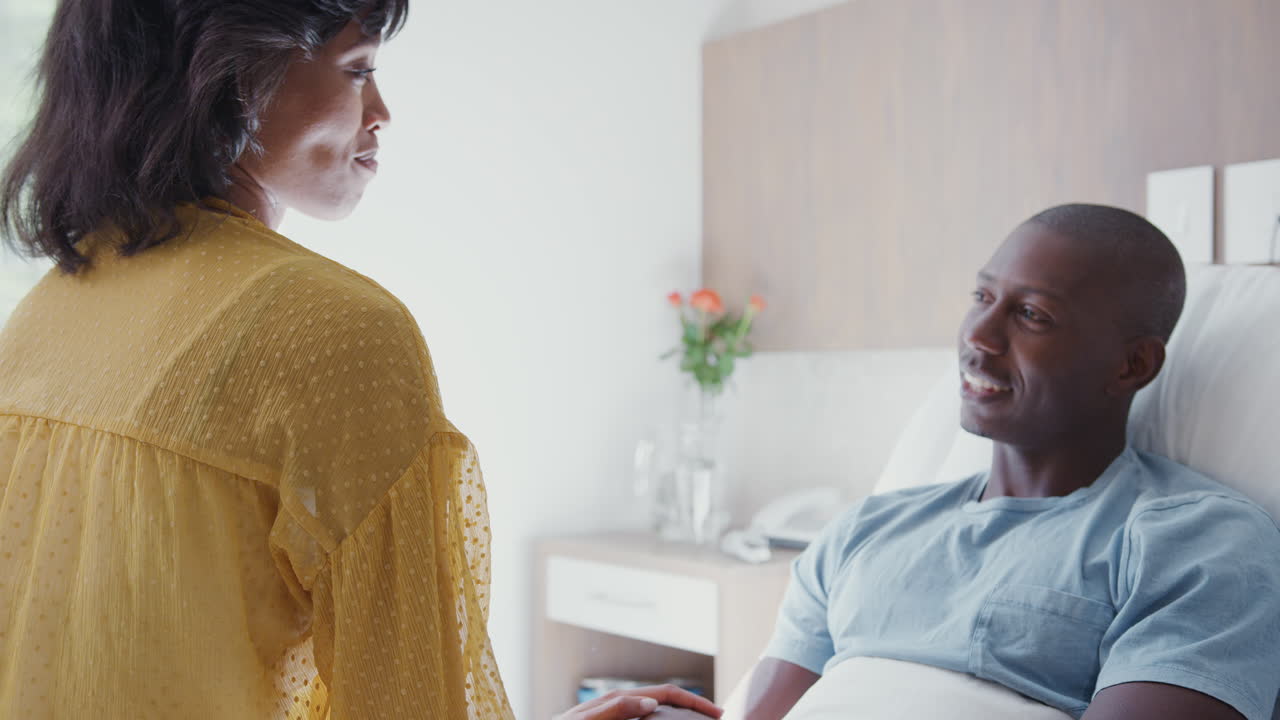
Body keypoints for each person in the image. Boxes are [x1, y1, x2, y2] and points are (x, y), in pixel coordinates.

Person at [0, 2, 721, 719]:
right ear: (230, 76)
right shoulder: (335, 332)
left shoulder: (44, 320)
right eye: (357, 69)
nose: (380, 111)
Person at [720, 205, 1280, 720]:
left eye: (1032, 315)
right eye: (983, 298)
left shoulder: (1196, 541)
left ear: (1132, 365)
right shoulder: (862, 533)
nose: (979, 337)